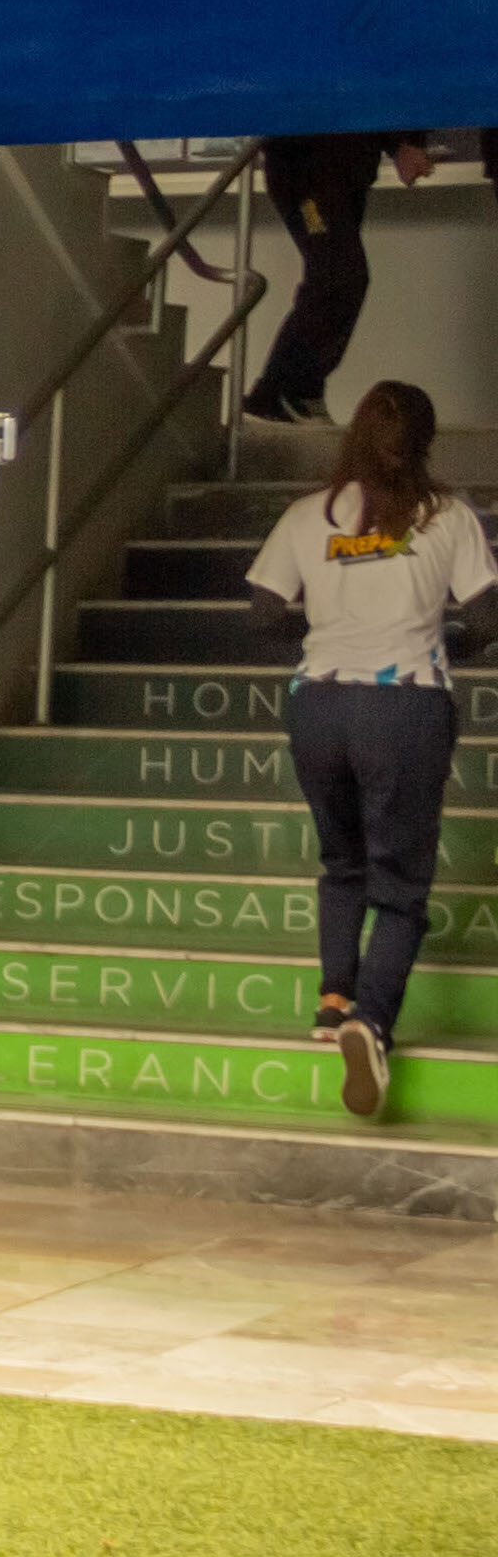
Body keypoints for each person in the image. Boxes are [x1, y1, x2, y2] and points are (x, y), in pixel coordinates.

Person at [249, 380, 496, 1118]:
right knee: (400, 886)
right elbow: (487, 617)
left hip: (319, 703)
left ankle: (332, 1002)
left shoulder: (307, 515)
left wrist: (327, 642)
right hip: (404, 704)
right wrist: (445, 640)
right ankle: (371, 1021)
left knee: (341, 861)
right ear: (425, 441)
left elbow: (262, 614)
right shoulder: (445, 516)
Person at [243, 131, 432, 423]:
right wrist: (400, 144)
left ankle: (290, 393)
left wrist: (401, 145)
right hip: (304, 168)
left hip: (343, 171)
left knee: (339, 277)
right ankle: (286, 393)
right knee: (339, 275)